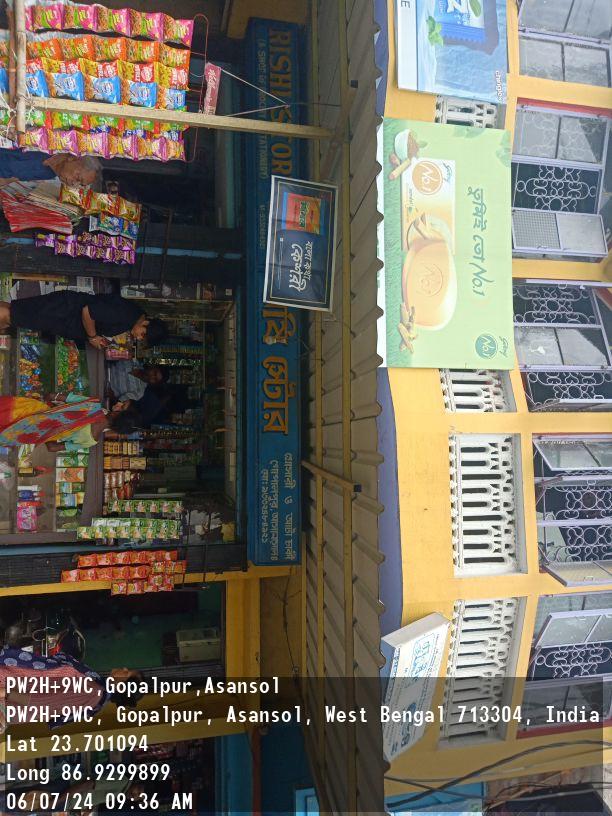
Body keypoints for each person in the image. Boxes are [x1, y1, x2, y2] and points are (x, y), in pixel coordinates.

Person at [0, 292, 168, 349]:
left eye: (141, 340)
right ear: (146, 323)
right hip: (62, 311)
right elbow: (88, 311)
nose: (138, 338)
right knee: (13, 315)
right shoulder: (126, 315)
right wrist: (93, 337)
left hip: (62, 315)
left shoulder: (131, 318)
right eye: (143, 335)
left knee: (14, 314)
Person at [0, 393, 135, 451]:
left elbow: (52, 396)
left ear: (117, 414)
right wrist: (49, 432)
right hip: (27, 435)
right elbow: (52, 448)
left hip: (26, 410)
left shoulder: (93, 405)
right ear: (116, 430)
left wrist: (50, 406)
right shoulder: (91, 441)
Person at [0, 150, 101, 187]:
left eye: (79, 184)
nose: (73, 183)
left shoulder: (49, 174)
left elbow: (11, 178)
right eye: (78, 178)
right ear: (73, 158)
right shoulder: (47, 145)